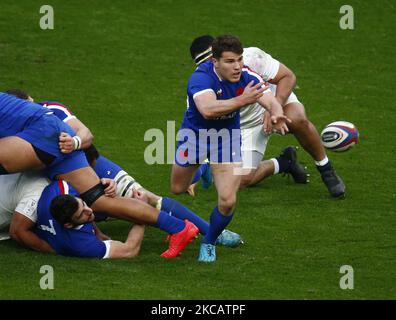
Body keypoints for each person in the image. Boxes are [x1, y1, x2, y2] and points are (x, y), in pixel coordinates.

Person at [4, 89, 242, 249]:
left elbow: (86, 135)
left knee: (147, 198)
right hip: (60, 174)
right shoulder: (14, 128)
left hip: (95, 165)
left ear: (30, 101)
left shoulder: (50, 109)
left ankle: (212, 231)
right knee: (89, 206)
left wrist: (74, 142)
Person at [171, 35, 290, 262]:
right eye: (229, 61)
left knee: (228, 200)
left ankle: (209, 242)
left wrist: (277, 112)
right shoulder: (200, 78)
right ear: (215, 61)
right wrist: (243, 100)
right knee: (178, 188)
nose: (236, 66)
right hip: (195, 137)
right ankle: (204, 169)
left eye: (239, 60)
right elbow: (207, 109)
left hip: (226, 139)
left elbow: (268, 98)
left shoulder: (246, 75)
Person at [188, 35, 345, 199]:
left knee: (297, 118)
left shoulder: (251, 58)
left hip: (274, 101)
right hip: (243, 126)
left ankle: (326, 169)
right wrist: (197, 169)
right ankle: (283, 163)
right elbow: (205, 128)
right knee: (241, 179)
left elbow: (288, 76)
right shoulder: (200, 86)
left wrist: (274, 108)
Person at [35, 179, 146, 259]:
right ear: (68, 225)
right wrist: (141, 212)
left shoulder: (60, 188)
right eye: (81, 214)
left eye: (83, 204)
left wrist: (98, 232)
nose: (90, 210)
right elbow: (129, 250)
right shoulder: (80, 244)